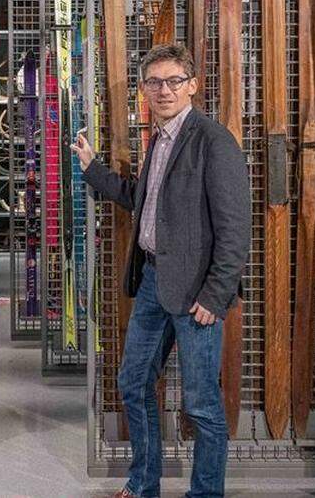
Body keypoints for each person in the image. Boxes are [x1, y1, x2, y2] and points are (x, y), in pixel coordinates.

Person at [72, 44, 249, 498]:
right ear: (144, 90)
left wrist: (215, 295)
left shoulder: (213, 140)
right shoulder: (161, 138)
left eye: (173, 81)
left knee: (202, 404)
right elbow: (142, 200)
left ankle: (206, 493)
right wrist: (94, 171)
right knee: (133, 382)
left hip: (196, 293)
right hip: (153, 281)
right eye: (154, 82)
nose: (163, 90)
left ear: (192, 85)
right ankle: (143, 484)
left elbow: (235, 228)